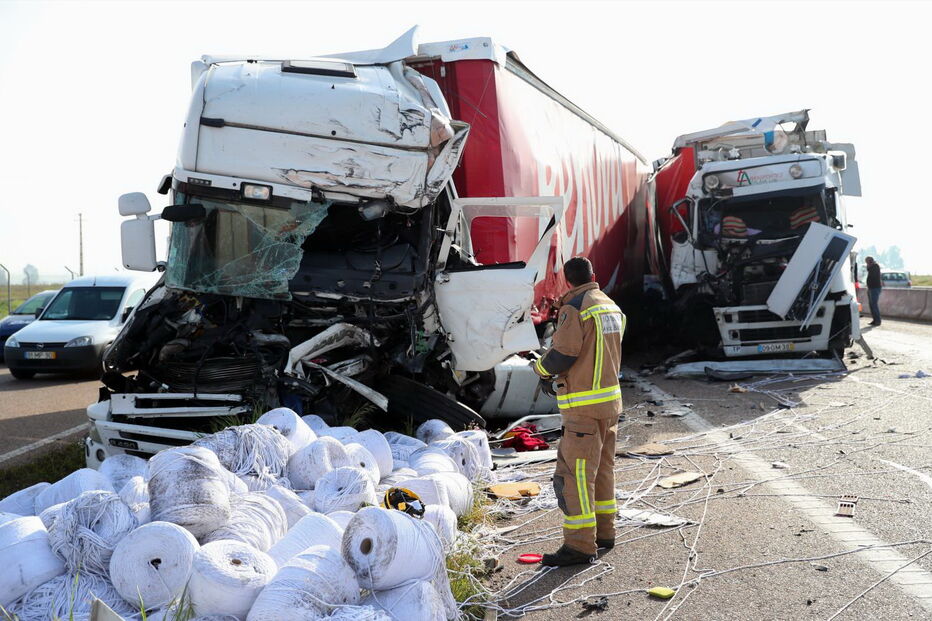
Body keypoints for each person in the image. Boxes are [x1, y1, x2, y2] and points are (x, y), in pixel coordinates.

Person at [532, 257, 626, 566]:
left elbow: (565, 353)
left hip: (583, 408)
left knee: (576, 476)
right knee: (603, 472)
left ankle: (580, 544)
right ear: (593, 275)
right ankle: (605, 533)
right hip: (610, 405)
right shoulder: (610, 306)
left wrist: (541, 369)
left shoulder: (575, 307)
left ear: (566, 281)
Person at [865, 256, 883, 326]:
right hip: (870, 288)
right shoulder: (872, 266)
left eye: (867, 261)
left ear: (870, 261)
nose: (866, 263)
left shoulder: (875, 266)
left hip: (875, 288)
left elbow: (872, 275)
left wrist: (869, 266)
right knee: (871, 305)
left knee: (874, 304)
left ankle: (878, 321)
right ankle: (874, 320)